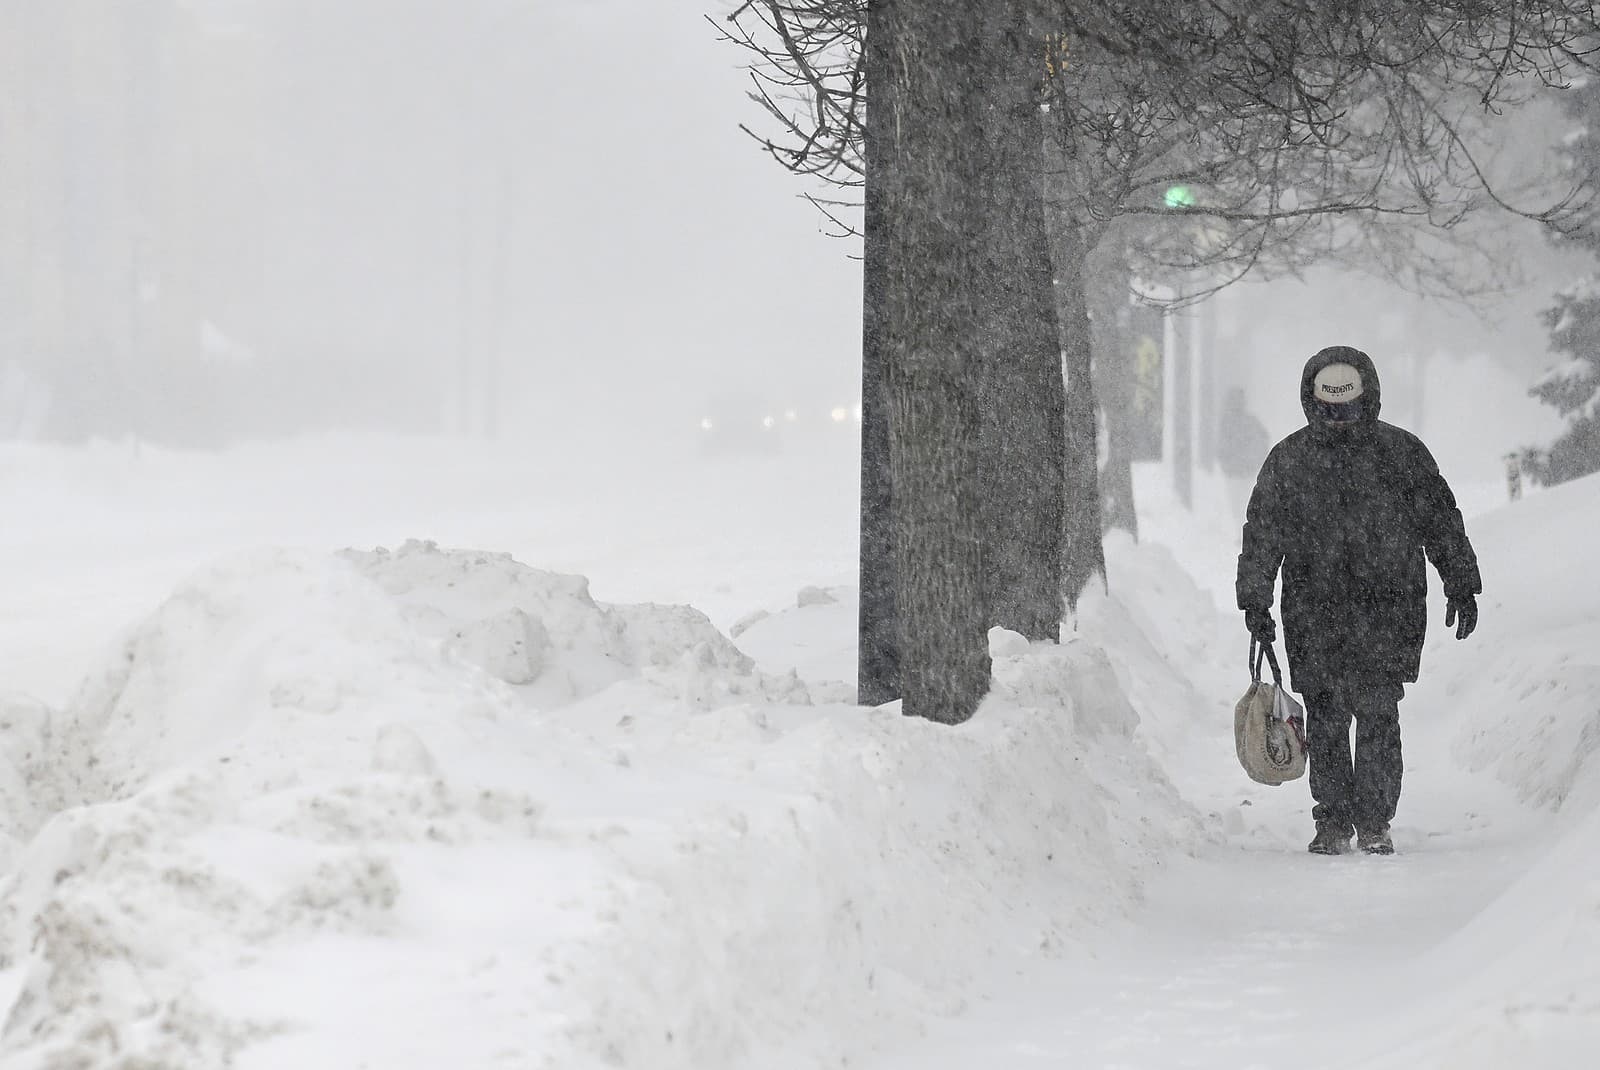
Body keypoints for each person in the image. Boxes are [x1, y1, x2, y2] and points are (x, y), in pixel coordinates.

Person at [1235, 346, 1482, 856]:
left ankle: (1373, 821)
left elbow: (1440, 521)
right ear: (1312, 403)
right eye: (1330, 410)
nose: (1340, 421)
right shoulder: (1289, 460)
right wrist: (1254, 602)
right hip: (1314, 611)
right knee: (1326, 715)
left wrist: (1461, 580)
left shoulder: (1402, 454)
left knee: (1377, 714)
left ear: (1367, 400)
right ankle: (1332, 819)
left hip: (1387, 611)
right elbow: (1261, 535)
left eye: (1348, 409)